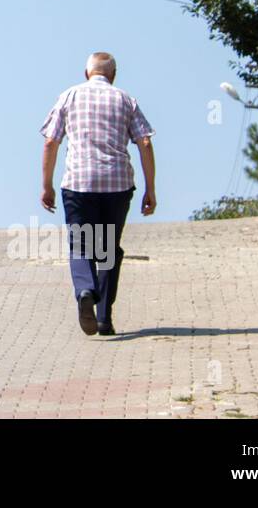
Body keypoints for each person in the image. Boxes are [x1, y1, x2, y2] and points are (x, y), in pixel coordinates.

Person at [39, 52, 156, 336]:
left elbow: (51, 141)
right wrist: (151, 188)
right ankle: (104, 318)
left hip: (78, 184)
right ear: (113, 75)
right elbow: (144, 142)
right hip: (117, 185)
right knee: (108, 250)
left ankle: (84, 291)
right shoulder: (126, 99)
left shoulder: (69, 97)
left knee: (81, 245)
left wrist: (47, 185)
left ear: (86, 72)